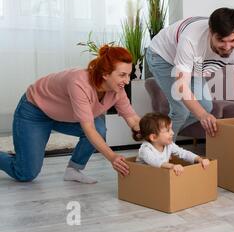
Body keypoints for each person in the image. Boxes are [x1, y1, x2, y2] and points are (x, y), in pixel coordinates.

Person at [0, 46, 141, 183]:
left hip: (64, 115)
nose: (127, 81)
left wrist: (155, 135)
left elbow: (133, 119)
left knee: (100, 128)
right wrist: (112, 157)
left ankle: (73, 170)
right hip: (35, 112)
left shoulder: (117, 90)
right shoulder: (79, 83)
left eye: (128, 74)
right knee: (25, 173)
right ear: (105, 74)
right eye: (122, 75)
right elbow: (88, 129)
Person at [146, 7, 234, 138]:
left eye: (232, 40)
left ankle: (161, 134)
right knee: (181, 111)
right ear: (210, 32)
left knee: (206, 107)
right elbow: (181, 87)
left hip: (196, 62)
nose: (227, 47)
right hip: (163, 56)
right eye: (221, 41)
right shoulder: (191, 41)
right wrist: (201, 116)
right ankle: (160, 148)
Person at [132, 113, 210, 176]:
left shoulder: (169, 145)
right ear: (154, 137)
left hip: (159, 177)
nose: (172, 133)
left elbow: (183, 153)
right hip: (146, 178)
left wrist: (199, 159)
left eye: (171, 129)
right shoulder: (145, 149)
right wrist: (172, 166)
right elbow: (155, 162)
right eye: (168, 130)